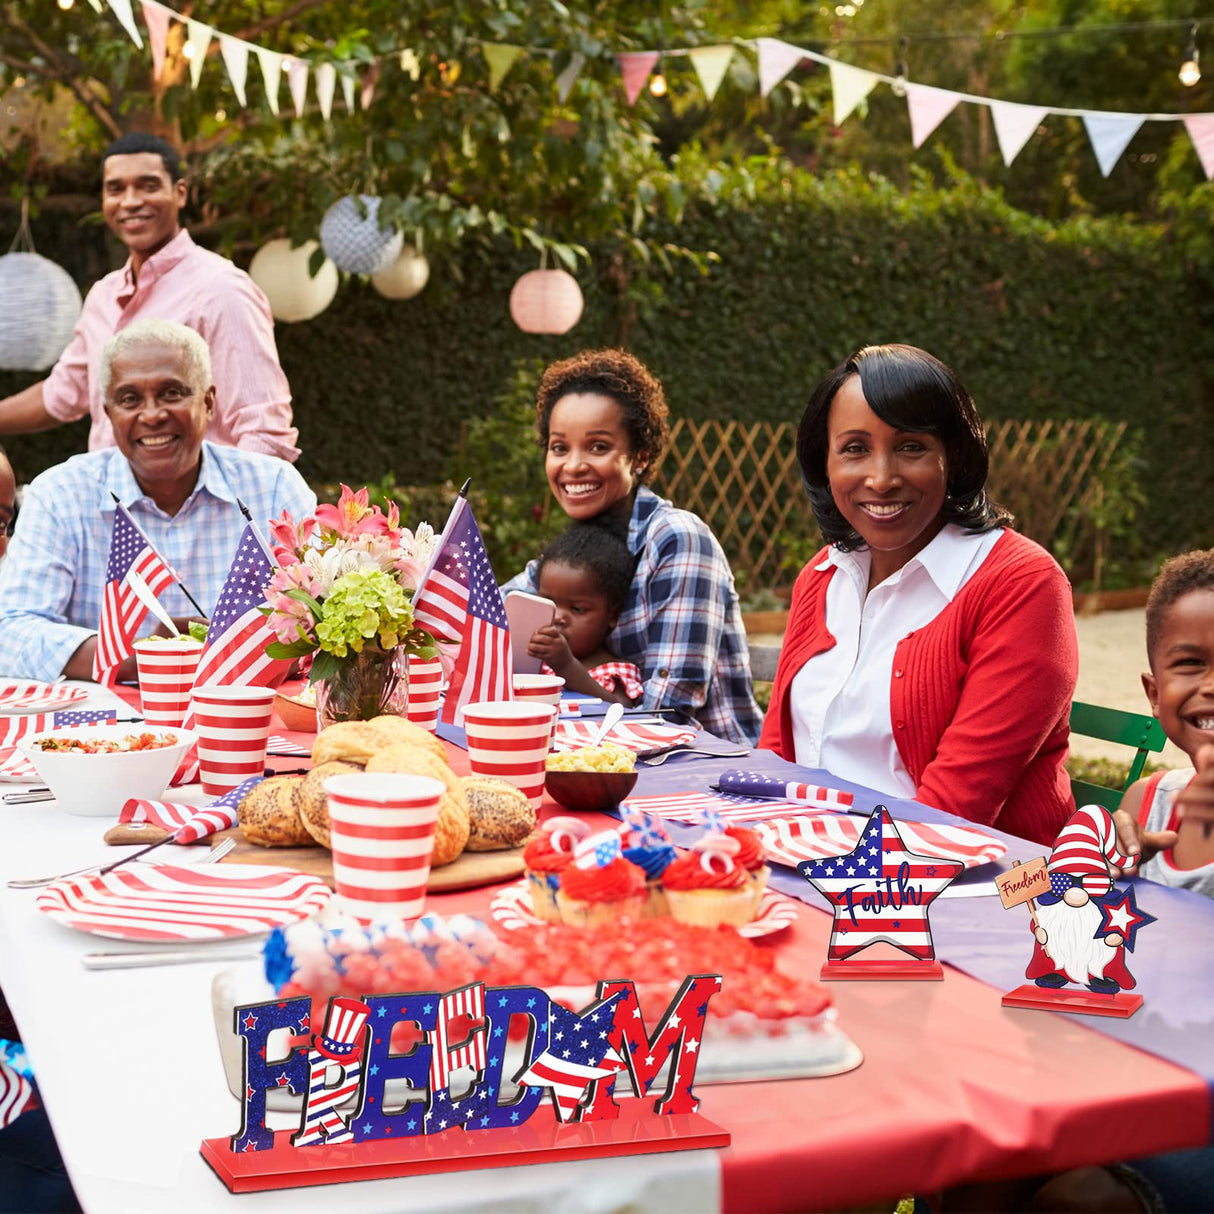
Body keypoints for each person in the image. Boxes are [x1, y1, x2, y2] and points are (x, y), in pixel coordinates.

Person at [759, 344, 1077, 846]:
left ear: (954, 455)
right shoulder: (822, 574)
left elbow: (953, 808)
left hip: (996, 889)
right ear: (824, 463)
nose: (881, 478)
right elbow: (774, 760)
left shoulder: (1021, 583)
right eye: (855, 449)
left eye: (911, 447)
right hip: (816, 856)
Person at [0, 319, 315, 682]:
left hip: (246, 715)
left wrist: (233, 649)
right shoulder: (60, 494)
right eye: (130, 399)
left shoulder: (273, 487)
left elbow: (323, 621)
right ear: (108, 413)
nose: (151, 415)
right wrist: (143, 656)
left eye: (171, 393)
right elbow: (11, 631)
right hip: (103, 731)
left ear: (209, 402)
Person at [503, 349, 762, 744]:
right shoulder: (568, 555)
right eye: (560, 448)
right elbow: (489, 615)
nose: (572, 466)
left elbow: (669, 712)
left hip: (707, 768)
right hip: (599, 752)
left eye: (598, 447)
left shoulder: (678, 541)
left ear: (639, 456)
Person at [0, 132, 299, 462]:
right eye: (116, 189)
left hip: (196, 510)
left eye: (148, 185)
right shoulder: (103, 296)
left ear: (180, 193)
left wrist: (226, 510)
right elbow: (62, 394)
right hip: (112, 508)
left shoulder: (220, 290)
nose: (130, 201)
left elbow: (264, 430)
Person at [1113, 549, 1214, 895]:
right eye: (1190, 662)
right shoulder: (1145, 804)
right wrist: (1085, 859)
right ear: (1155, 694)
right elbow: (1019, 896)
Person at [526, 522, 643, 705]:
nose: (558, 617)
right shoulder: (533, 661)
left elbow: (621, 712)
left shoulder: (615, 671)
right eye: (549, 603)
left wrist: (566, 666)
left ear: (612, 616)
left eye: (577, 609)